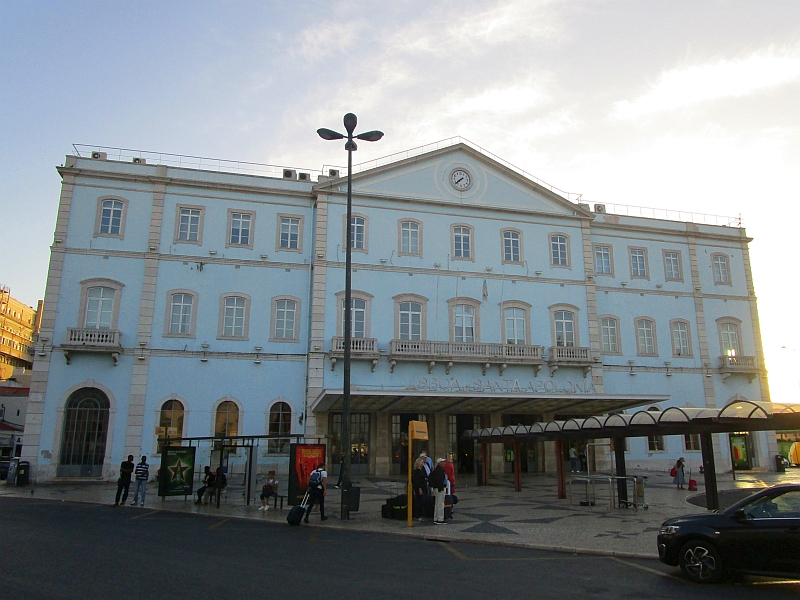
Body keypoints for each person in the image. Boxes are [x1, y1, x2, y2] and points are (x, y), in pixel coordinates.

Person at [428, 458, 447, 525]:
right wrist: (440, 487)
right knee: (440, 504)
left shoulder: (437, 470)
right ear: (439, 463)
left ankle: (436, 518)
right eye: (443, 462)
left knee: (437, 503)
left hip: (437, 489)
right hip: (440, 489)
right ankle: (440, 519)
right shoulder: (439, 471)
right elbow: (439, 480)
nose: (444, 463)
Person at [411, 457, 428, 521]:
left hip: (423, 487)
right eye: (421, 462)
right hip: (419, 488)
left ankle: (420, 514)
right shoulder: (417, 471)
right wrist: (420, 488)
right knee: (418, 501)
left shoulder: (421, 470)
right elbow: (417, 481)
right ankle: (417, 515)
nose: (422, 463)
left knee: (421, 501)